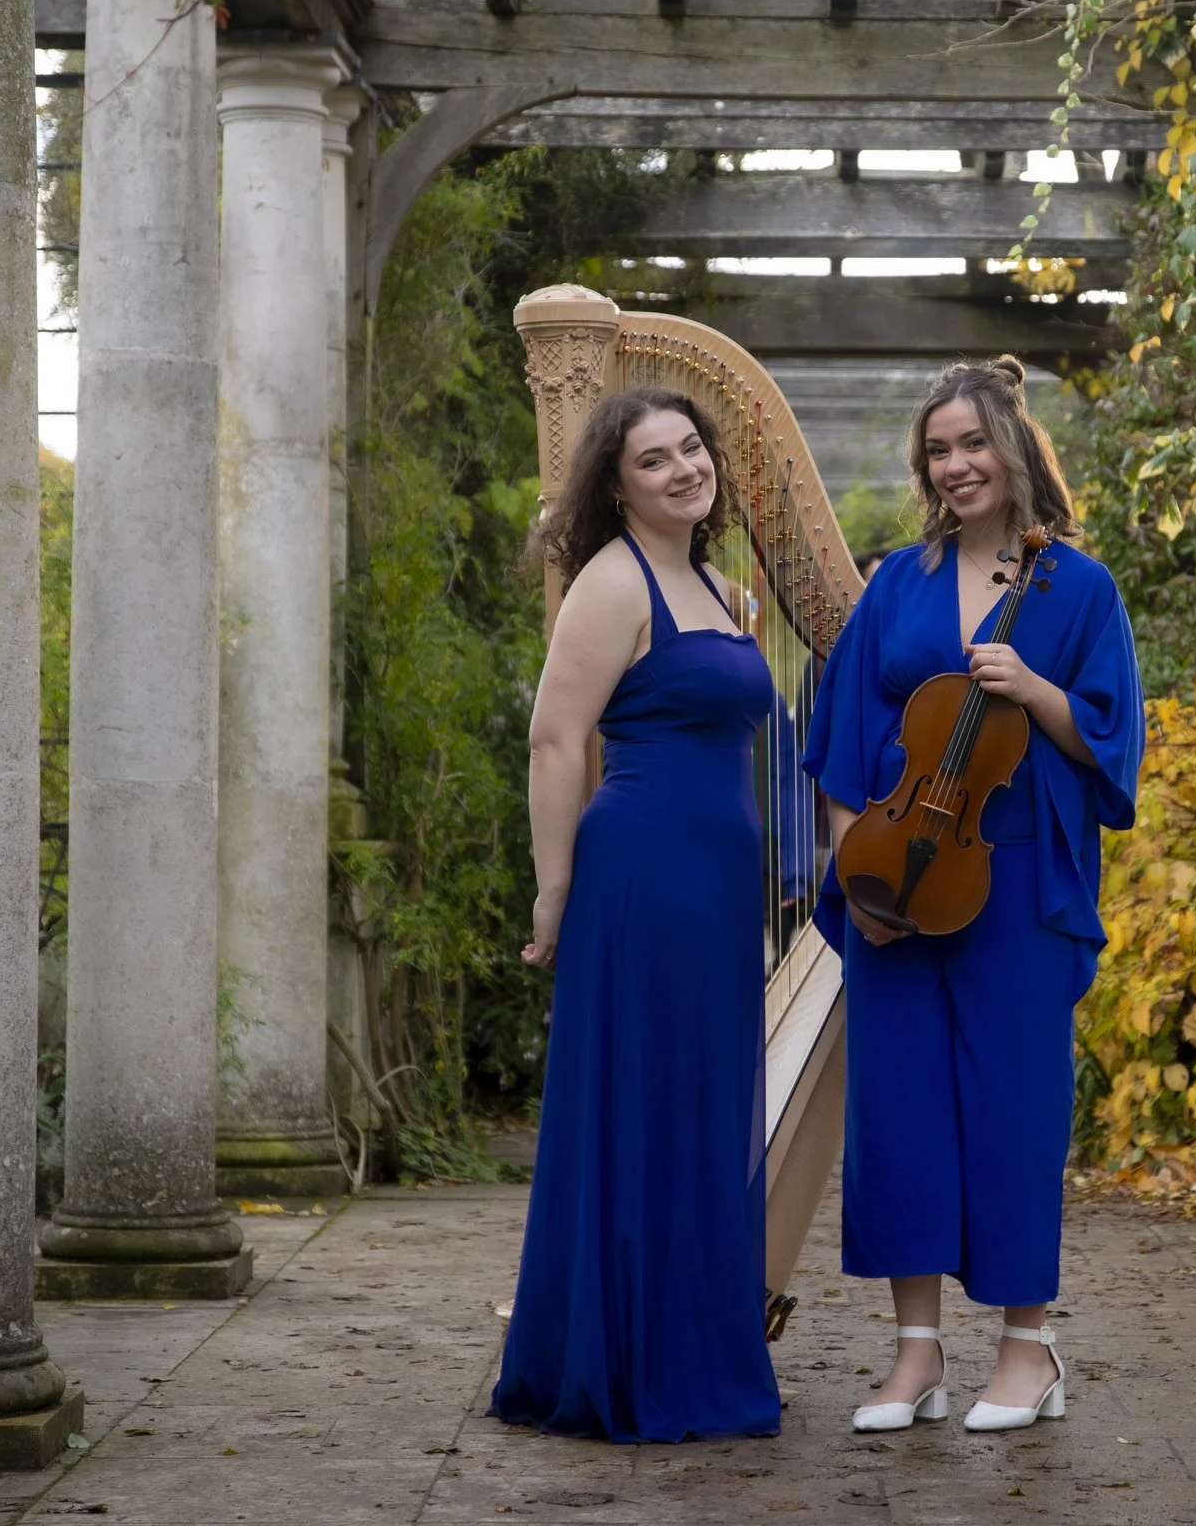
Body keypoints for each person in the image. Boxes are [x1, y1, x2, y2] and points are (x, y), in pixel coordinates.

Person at [802, 356, 1143, 1435]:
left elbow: (1112, 743)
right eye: (937, 451)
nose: (955, 465)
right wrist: (859, 872)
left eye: (971, 444)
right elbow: (842, 739)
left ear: (1013, 446)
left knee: (1012, 1107)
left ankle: (1026, 1349)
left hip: (1017, 877)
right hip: (899, 876)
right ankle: (916, 1352)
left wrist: (1035, 689)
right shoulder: (898, 584)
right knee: (898, 1109)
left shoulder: (1078, 588)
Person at [490, 387, 782, 1443]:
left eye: (691, 448)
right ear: (616, 487)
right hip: (644, 877)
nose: (683, 469)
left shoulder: (717, 586)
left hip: (715, 886)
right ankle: (628, 1363)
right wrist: (554, 888)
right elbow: (554, 738)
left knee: (701, 1107)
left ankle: (688, 1347)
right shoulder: (613, 583)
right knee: (647, 1105)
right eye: (653, 459)